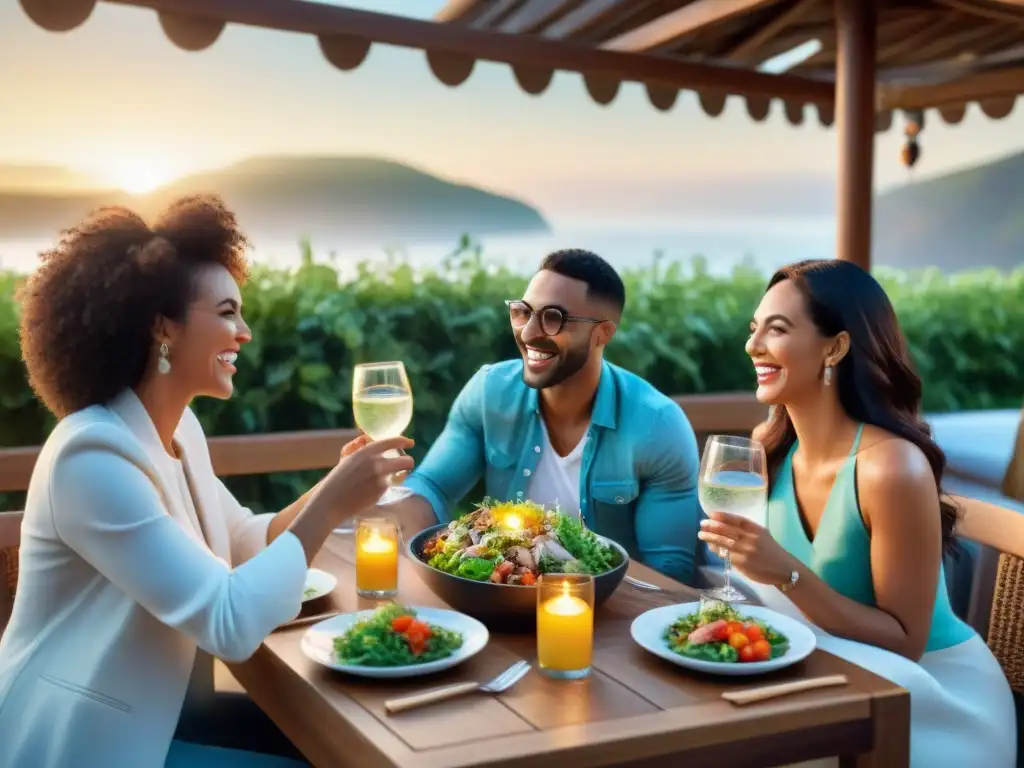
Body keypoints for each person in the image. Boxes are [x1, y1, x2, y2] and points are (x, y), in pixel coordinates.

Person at [0, 197, 414, 768]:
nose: (243, 332)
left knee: (353, 741)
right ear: (162, 328)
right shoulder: (89, 456)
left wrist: (331, 491)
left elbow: (246, 539)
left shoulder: (177, 429)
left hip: (162, 710)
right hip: (85, 741)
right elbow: (229, 622)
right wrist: (334, 500)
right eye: (226, 313)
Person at [698, 259, 1016, 766]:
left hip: (929, 698)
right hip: (829, 672)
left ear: (836, 347)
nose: (753, 345)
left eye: (776, 329)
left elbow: (907, 643)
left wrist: (785, 572)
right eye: (753, 328)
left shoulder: (891, 469)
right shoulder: (767, 447)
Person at [393, 249, 702, 584]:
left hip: (609, 614)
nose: (528, 333)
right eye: (522, 312)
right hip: (501, 602)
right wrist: (387, 509)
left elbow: (669, 574)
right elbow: (432, 486)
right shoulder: (489, 392)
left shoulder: (657, 426)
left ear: (602, 334)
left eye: (553, 318)